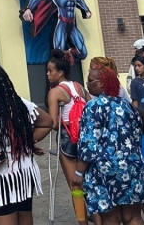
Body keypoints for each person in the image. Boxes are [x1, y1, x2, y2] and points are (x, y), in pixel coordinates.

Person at [73, 64, 144, 224]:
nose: (87, 84)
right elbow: (137, 136)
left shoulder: (92, 107)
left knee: (111, 218)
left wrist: (79, 173)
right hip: (132, 168)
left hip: (105, 172)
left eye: (90, 80)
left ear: (101, 83)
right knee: (133, 216)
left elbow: (89, 144)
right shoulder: (127, 106)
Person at [0, 64, 53, 225]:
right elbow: (47, 122)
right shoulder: (22, 104)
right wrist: (25, 142)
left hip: (0, 177)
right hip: (24, 173)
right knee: (24, 215)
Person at [46, 50, 89, 225]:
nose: (48, 74)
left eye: (50, 71)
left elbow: (54, 123)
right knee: (89, 182)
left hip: (68, 138)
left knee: (75, 186)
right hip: (85, 136)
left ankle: (83, 222)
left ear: (60, 72)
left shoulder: (55, 92)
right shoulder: (79, 86)